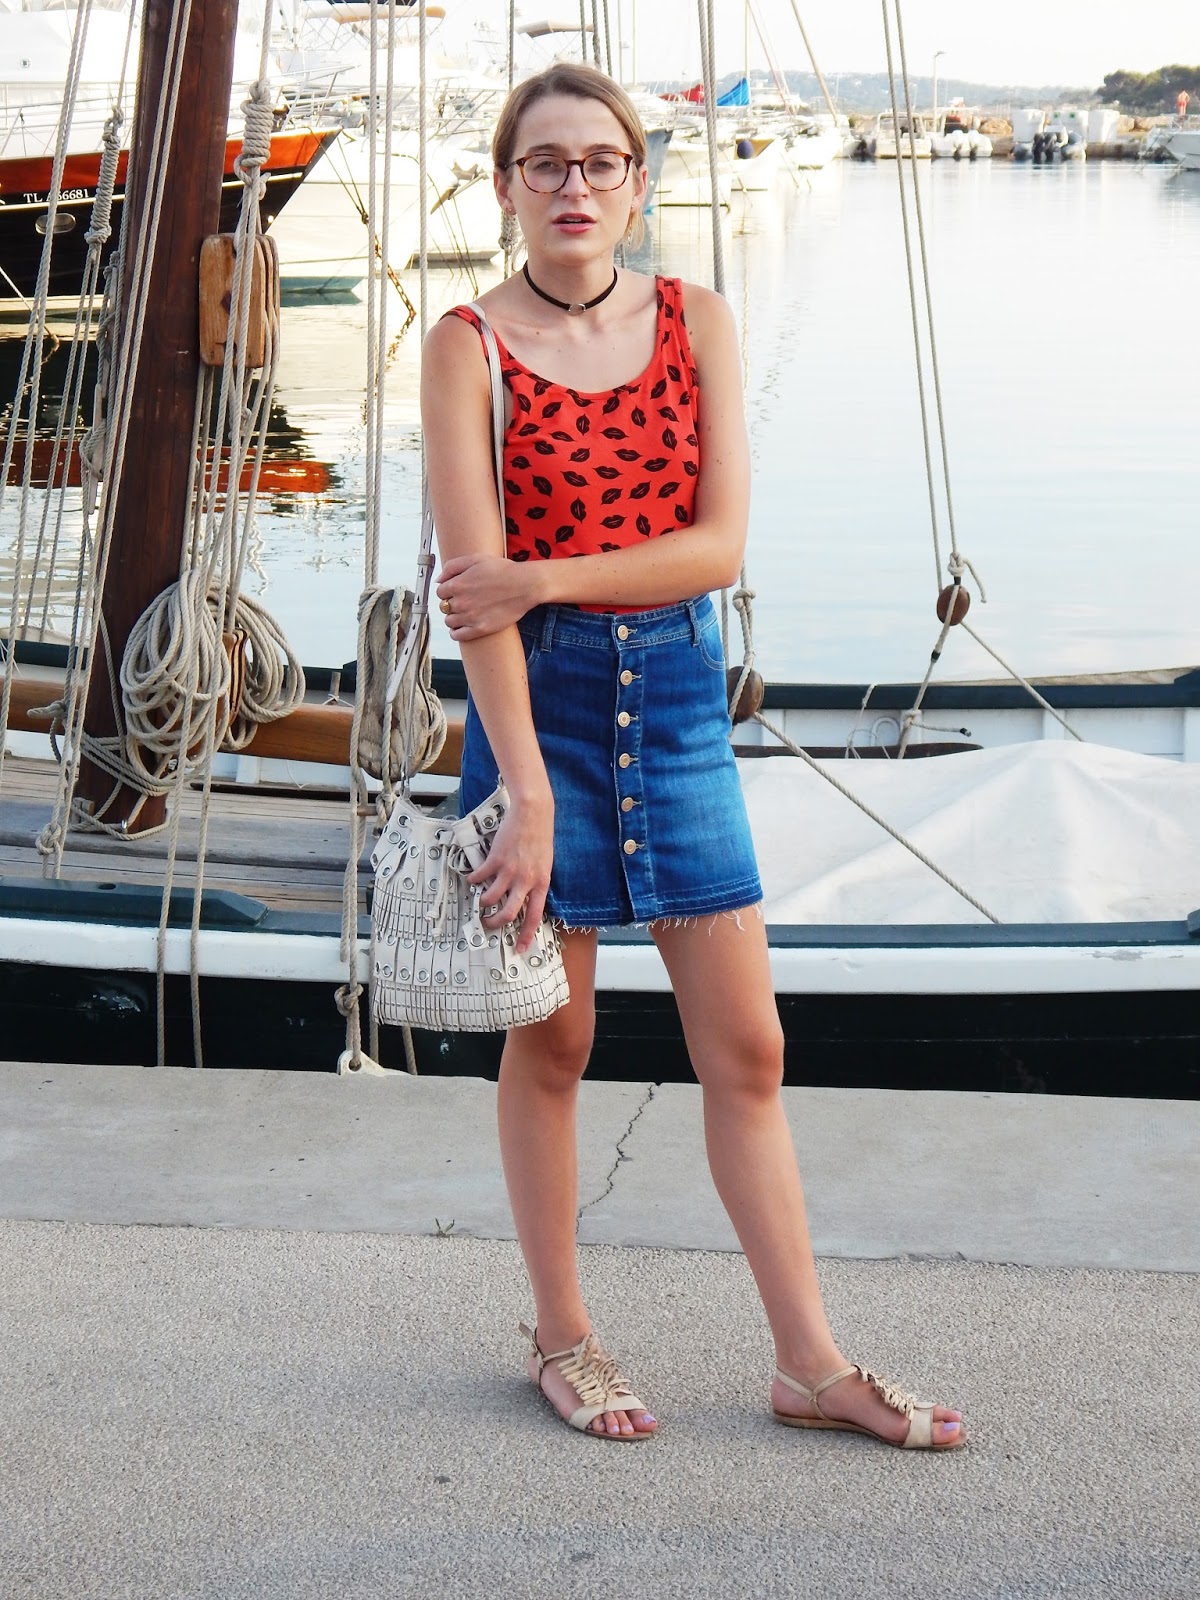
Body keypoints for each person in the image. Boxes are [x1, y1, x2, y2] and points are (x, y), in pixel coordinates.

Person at [420, 61, 966, 1450]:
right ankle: (562, 1337)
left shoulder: (697, 320)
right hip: (533, 714)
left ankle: (809, 1366)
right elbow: (473, 603)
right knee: (557, 1041)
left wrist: (547, 577)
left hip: (671, 701)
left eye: (600, 162)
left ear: (639, 181)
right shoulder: (463, 346)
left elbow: (716, 550)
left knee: (749, 1047)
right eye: (545, 164)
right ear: (506, 186)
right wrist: (525, 795)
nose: (574, 186)